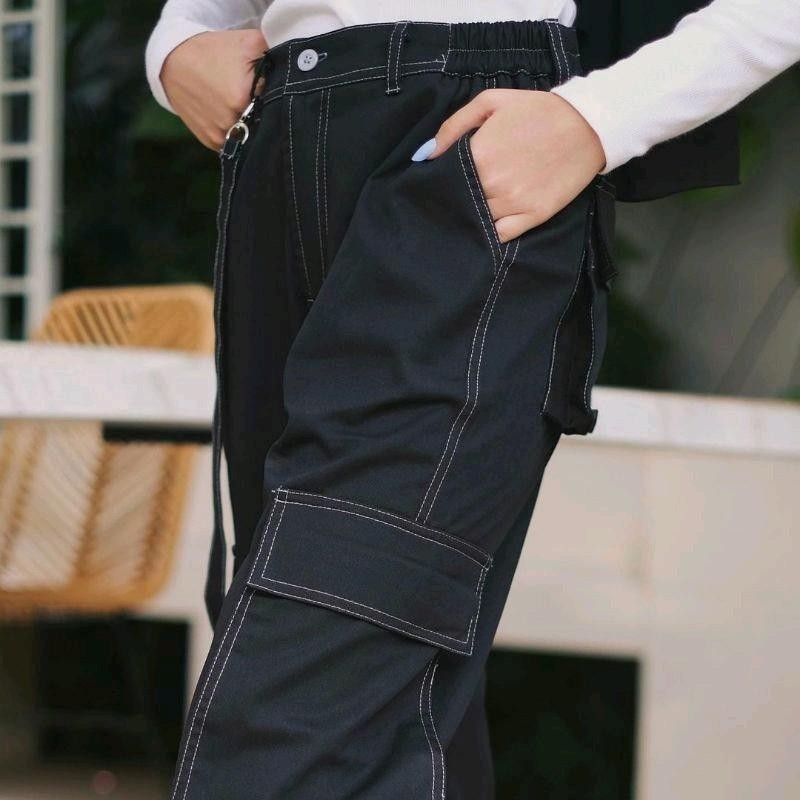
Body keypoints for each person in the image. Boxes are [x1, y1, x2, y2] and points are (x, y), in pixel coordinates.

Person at [145, 2, 799, 798]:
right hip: (280, 147)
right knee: (385, 698)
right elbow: (209, 14)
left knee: (307, 693)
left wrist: (600, 117)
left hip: (470, 144)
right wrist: (176, 48)